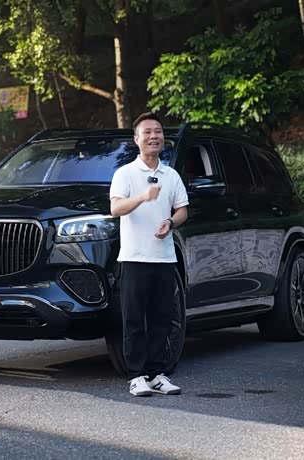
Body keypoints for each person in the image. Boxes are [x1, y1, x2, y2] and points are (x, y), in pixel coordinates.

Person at [109, 112, 189, 397]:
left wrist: (170, 222)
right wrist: (143, 196)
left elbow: (182, 210)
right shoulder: (125, 174)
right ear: (137, 139)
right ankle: (136, 376)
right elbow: (115, 209)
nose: (154, 136)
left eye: (158, 131)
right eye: (147, 132)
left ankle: (157, 374)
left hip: (164, 258)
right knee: (133, 320)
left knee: (162, 319)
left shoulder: (171, 175)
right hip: (134, 258)